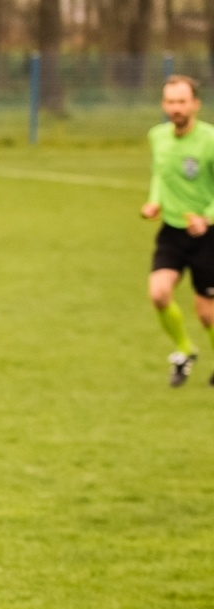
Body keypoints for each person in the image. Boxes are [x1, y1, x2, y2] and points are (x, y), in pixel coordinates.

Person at [142, 75, 214, 387]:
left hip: (207, 236)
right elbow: (160, 173)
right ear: (163, 105)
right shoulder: (157, 137)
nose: (176, 108)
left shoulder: (210, 140)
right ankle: (185, 350)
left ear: (195, 104)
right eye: (171, 102)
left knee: (207, 314)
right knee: (158, 294)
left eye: (182, 102)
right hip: (172, 231)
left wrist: (207, 217)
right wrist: (154, 201)